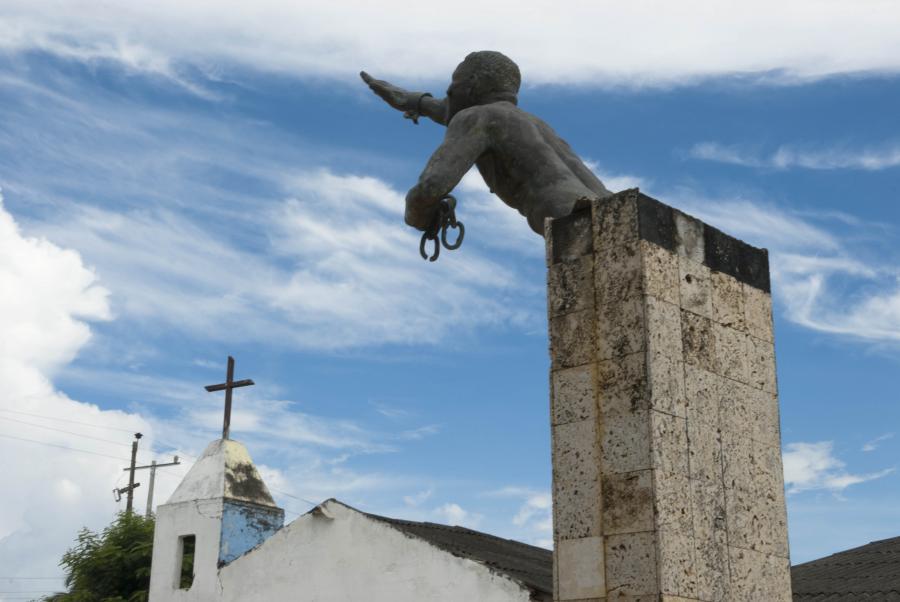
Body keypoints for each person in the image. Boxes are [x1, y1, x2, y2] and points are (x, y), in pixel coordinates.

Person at [361, 51, 611, 236]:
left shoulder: (477, 118)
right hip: (609, 213)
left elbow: (431, 186)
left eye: (454, 82)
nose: (448, 91)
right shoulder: (533, 124)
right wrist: (415, 102)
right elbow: (450, 109)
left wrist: (418, 216)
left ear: (473, 85)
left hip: (572, 223)